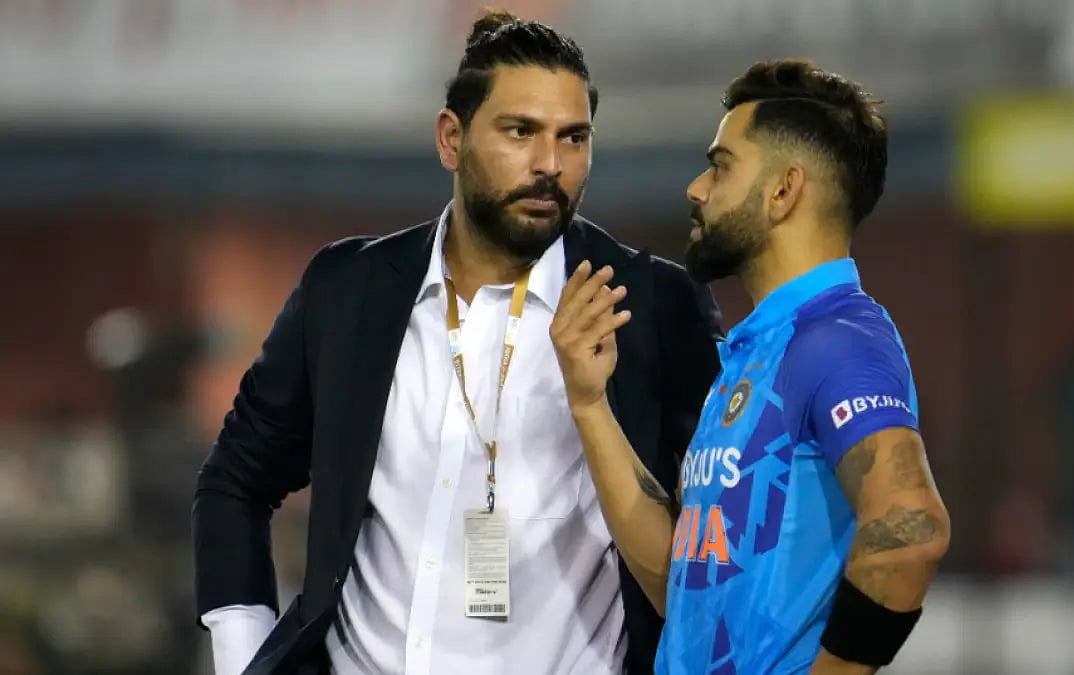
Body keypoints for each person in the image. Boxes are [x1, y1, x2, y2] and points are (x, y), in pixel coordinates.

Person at [192, 10, 722, 675]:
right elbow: (234, 480)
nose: (550, 165)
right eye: (520, 131)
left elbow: (718, 535)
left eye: (574, 137)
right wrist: (245, 654)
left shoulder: (651, 305)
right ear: (451, 138)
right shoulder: (349, 290)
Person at [550, 59, 951, 673]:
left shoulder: (839, 339)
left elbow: (909, 528)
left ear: (784, 190)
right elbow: (679, 584)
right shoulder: (761, 351)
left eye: (719, 166)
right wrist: (589, 404)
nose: (697, 188)